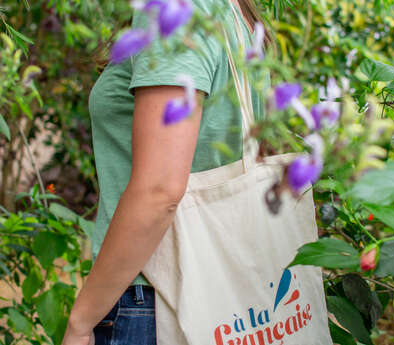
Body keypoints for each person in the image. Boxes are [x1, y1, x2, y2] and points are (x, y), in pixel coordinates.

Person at [61, 0, 270, 344]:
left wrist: (80, 321)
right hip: (223, 291)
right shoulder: (234, 11)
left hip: (154, 297)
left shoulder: (176, 12)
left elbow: (159, 192)